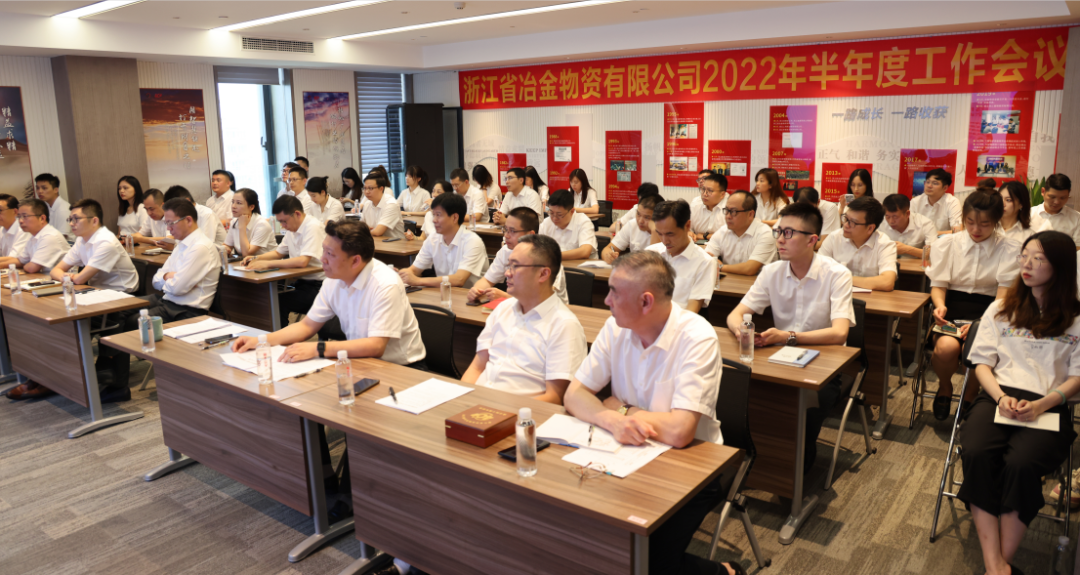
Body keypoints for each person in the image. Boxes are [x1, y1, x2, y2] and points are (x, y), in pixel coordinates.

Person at [562, 251, 743, 575]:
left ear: (646, 302)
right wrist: (611, 419)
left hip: (693, 466)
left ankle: (724, 572)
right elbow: (574, 394)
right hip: (626, 452)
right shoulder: (615, 327)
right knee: (581, 534)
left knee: (647, 564)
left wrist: (621, 408)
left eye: (614, 293)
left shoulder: (696, 336)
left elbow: (680, 432)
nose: (606, 301)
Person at [958, 231, 1080, 575]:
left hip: (1050, 403)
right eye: (1024, 256)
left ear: (1060, 266)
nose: (1027, 264)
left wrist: (1043, 404)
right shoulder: (1001, 308)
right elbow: (981, 363)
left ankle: (997, 565)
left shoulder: (1076, 317)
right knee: (977, 452)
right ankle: (996, 565)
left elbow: (1077, 376)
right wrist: (1000, 397)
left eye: (1038, 258)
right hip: (999, 395)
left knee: (1021, 464)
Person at [727, 201, 855, 471]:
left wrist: (787, 336)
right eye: (778, 231)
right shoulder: (771, 272)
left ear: (812, 240)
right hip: (780, 358)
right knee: (743, 394)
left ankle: (794, 469)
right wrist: (742, 331)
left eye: (788, 233)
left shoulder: (837, 274)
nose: (780, 240)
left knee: (803, 413)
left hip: (824, 365)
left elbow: (839, 332)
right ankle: (758, 464)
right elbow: (735, 314)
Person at [231, 219, 426, 367]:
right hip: (361, 362)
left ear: (355, 261)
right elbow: (307, 326)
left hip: (402, 368)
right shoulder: (334, 278)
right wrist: (260, 341)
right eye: (323, 250)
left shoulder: (385, 284)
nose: (322, 259)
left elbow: (376, 346)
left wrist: (318, 348)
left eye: (330, 254)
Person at [109, 198, 222, 398]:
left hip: (186, 311)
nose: (168, 229)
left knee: (133, 322)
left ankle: (117, 385)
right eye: (166, 223)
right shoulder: (181, 244)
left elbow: (178, 288)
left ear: (188, 220)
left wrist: (169, 278)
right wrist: (169, 276)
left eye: (171, 223)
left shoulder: (201, 247)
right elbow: (157, 279)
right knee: (118, 310)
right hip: (167, 301)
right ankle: (109, 372)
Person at [926, 190, 1020, 420]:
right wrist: (939, 306)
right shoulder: (947, 244)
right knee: (946, 348)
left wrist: (981, 324)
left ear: (996, 220)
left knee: (977, 351)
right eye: (970, 222)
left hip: (991, 313)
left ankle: (970, 392)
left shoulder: (1009, 248)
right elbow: (938, 285)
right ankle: (945, 386)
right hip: (952, 310)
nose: (976, 229)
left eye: (985, 224)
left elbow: (1003, 296)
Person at [462, 234, 586, 402]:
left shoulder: (564, 325)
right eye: (508, 265)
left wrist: (504, 411)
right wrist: (463, 400)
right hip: (479, 403)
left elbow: (555, 397)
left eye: (515, 266)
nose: (507, 273)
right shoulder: (502, 309)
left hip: (520, 413)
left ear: (543, 274)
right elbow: (477, 367)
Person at [242, 195, 326, 322]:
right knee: (266, 299)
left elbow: (303, 261)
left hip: (320, 286)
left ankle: (280, 335)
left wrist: (267, 264)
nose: (282, 226)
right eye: (280, 222)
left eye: (284, 221)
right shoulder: (292, 229)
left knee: (277, 303)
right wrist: (256, 258)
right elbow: (278, 253)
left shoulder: (312, 226)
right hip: (301, 283)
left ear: (297, 214)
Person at [468, 207, 568, 305]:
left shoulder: (548, 257)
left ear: (530, 234)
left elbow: (544, 299)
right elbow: (487, 280)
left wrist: (506, 298)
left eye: (512, 231)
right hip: (517, 309)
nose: (506, 235)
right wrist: (477, 291)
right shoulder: (506, 251)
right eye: (505, 229)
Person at [398, 192, 488, 289]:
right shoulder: (433, 239)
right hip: (445, 294)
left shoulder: (473, 241)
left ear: (455, 217)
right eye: (433, 215)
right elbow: (414, 270)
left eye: (438, 215)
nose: (434, 220)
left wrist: (418, 281)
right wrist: (401, 275)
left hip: (472, 296)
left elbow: (459, 279)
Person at [50, 199, 139, 293]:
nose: (71, 223)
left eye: (76, 219)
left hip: (122, 293)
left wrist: (68, 277)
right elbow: (55, 270)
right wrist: (65, 277)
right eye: (70, 219)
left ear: (94, 221)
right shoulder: (81, 239)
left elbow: (79, 280)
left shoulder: (106, 242)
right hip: (97, 290)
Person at [646, 199, 718, 314]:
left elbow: (692, 310)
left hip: (680, 322)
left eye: (670, 234)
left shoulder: (705, 262)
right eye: (659, 233)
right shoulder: (650, 253)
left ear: (687, 225)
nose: (664, 241)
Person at [818, 196, 897, 291]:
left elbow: (887, 282)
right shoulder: (834, 237)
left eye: (853, 222)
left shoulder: (884, 244)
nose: (845, 225)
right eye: (846, 219)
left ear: (870, 228)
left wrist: (841, 278)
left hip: (871, 299)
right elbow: (817, 270)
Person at [704, 190, 776, 276]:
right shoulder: (723, 231)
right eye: (726, 210)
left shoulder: (765, 234)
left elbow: (750, 269)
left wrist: (720, 266)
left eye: (733, 212)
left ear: (750, 214)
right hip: (730, 282)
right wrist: (712, 263)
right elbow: (705, 259)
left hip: (758, 283)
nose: (728, 216)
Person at [0, 199, 68, 273]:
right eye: (19, 217)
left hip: (61, 278)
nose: (20, 221)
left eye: (25, 216)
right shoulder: (33, 236)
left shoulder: (50, 236)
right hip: (44, 277)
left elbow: (32, 268)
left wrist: (24, 265)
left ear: (42, 218)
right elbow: (20, 260)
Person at [539, 189, 598, 260]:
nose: (554, 218)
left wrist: (552, 256)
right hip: (556, 265)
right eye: (551, 213)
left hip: (582, 266)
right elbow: (538, 249)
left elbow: (585, 251)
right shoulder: (546, 223)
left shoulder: (583, 221)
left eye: (559, 215)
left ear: (572, 211)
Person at [603, 194, 661, 263]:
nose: (640, 221)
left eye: (646, 217)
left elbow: (654, 262)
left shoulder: (666, 232)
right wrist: (608, 256)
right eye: (638, 214)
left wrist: (654, 230)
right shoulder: (632, 224)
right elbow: (608, 248)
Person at [224, 188, 278, 257]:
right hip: (247, 262)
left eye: (239, 203)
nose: (233, 206)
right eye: (233, 202)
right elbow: (227, 245)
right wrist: (226, 249)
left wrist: (242, 226)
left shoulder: (262, 224)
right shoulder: (234, 222)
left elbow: (247, 253)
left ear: (251, 207)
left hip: (269, 263)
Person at [881, 193, 937, 259]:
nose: (891, 221)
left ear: (907, 214)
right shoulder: (879, 223)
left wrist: (907, 249)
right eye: (887, 217)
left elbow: (933, 252)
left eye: (895, 217)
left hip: (914, 264)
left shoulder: (925, 224)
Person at [1031, 174, 1080, 248]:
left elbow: (1077, 247)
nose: (1057, 202)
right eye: (1052, 197)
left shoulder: (1077, 218)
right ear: (1043, 191)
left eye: (1062, 198)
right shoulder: (1028, 214)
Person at [910, 168, 963, 235]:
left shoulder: (952, 202)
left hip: (943, 240)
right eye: (927, 182)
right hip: (920, 240)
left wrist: (932, 234)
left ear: (945, 188)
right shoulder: (915, 202)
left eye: (935, 183)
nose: (929, 186)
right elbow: (909, 227)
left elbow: (957, 230)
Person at [357, 172, 405, 240]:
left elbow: (378, 232)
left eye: (370, 188)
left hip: (394, 244)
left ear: (381, 189)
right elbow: (360, 227)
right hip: (374, 241)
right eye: (365, 188)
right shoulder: (367, 204)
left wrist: (365, 232)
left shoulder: (391, 204)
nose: (367, 192)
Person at [690, 173, 728, 241]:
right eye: (703, 189)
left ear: (722, 194)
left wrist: (706, 236)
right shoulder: (695, 204)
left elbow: (731, 235)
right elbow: (687, 228)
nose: (705, 194)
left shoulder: (730, 207)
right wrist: (689, 233)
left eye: (710, 191)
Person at [0, 194, 29, 258]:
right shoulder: (2, 229)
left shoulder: (23, 230)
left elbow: (13, 259)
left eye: (0, 210)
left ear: (15, 211)